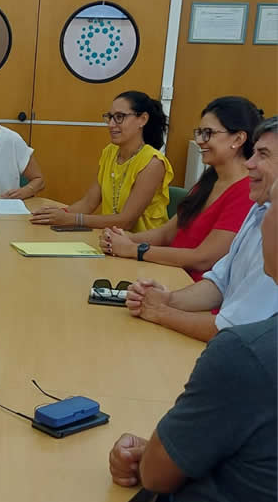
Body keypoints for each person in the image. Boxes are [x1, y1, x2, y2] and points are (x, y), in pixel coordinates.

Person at [108, 179, 278, 502]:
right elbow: (220, 279)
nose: (263, 217)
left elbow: (155, 475)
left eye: (273, 208)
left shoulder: (244, 354)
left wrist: (159, 453)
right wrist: (167, 300)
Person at [125, 116, 278, 342]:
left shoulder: (262, 214)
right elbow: (220, 282)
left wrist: (161, 312)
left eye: (262, 155)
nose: (249, 163)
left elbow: (236, 330)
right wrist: (167, 299)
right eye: (253, 153)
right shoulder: (259, 208)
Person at [100, 97, 261, 281]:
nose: (200, 141)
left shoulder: (246, 192)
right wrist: (121, 238)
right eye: (199, 133)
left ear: (238, 139)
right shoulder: (209, 181)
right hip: (168, 275)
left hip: (194, 288)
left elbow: (203, 259)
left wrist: (133, 249)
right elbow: (166, 234)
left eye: (208, 133)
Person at [31, 91, 173, 232]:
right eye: (110, 117)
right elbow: (88, 203)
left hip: (141, 243)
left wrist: (71, 219)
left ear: (142, 119)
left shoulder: (153, 163)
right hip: (111, 239)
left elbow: (126, 221)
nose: (111, 124)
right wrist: (56, 214)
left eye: (119, 117)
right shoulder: (110, 152)